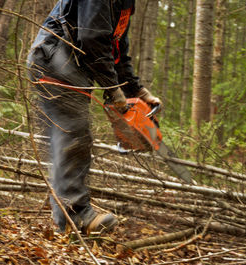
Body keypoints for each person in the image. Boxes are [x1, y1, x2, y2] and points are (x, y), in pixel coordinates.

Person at [27, 0, 161, 234]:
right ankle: (75, 217)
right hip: (55, 60)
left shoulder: (124, 4)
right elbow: (92, 39)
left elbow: (116, 51)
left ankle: (67, 216)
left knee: (70, 136)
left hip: (69, 65)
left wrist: (136, 91)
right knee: (74, 135)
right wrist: (113, 89)